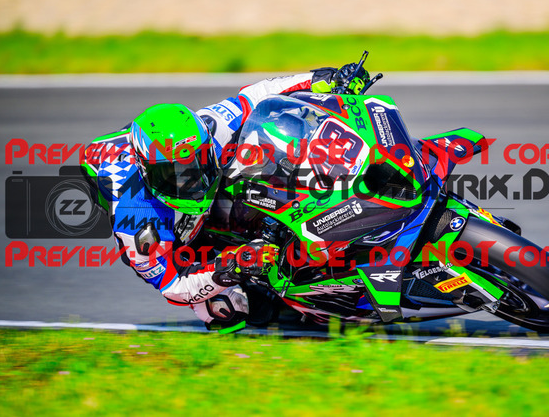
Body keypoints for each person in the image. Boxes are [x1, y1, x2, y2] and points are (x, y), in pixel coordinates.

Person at [81, 63, 370, 331]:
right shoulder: (136, 217)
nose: (192, 181)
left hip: (163, 154)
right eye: (176, 175)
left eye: (198, 163)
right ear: (148, 173)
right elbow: (173, 286)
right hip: (124, 188)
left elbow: (258, 95)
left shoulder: (211, 126)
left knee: (260, 155)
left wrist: (322, 80)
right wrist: (231, 266)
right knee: (229, 310)